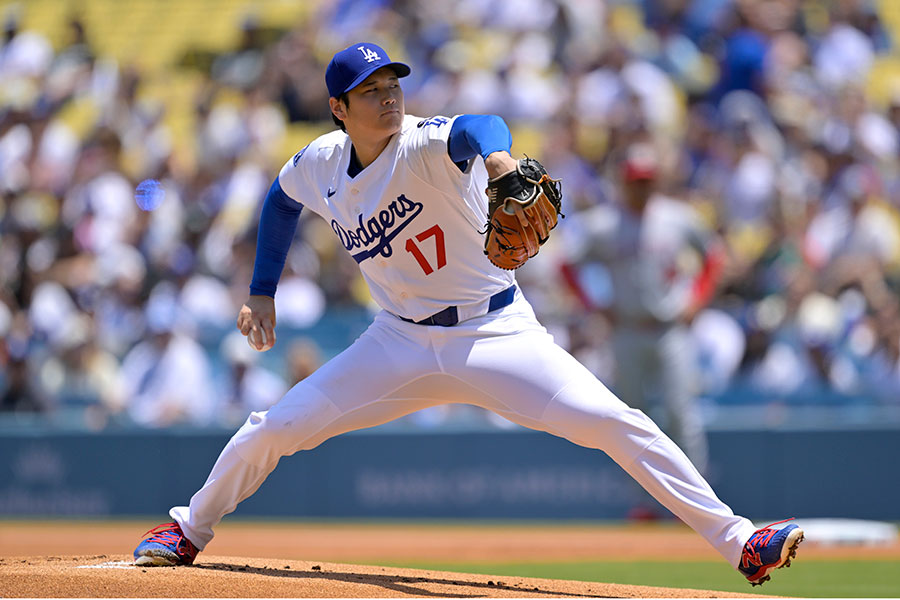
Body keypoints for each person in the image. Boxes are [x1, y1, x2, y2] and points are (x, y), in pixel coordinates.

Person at [133, 42, 803, 586]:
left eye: (392, 81)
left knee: (615, 422)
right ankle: (189, 529)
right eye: (370, 90)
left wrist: (502, 161)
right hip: (395, 343)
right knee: (273, 427)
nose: (388, 94)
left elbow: (478, 130)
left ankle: (742, 541)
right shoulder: (323, 164)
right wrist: (262, 289)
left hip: (495, 332)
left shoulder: (424, 143)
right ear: (338, 107)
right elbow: (280, 203)